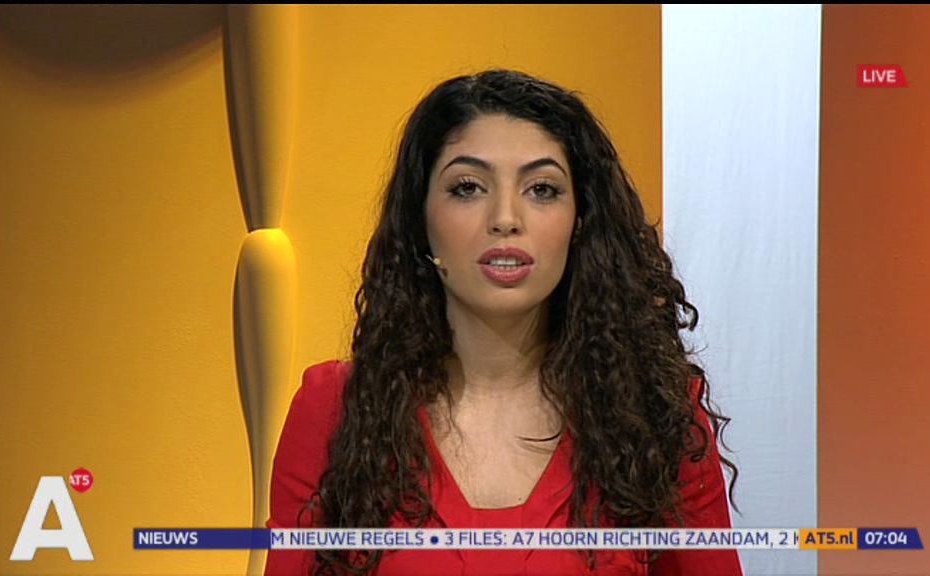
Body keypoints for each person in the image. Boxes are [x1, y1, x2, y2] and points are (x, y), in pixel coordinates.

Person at [264, 69, 741, 575]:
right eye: (468, 187)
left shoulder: (655, 415)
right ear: (419, 221)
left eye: (542, 189)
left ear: (580, 222)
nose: (506, 218)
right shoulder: (334, 409)